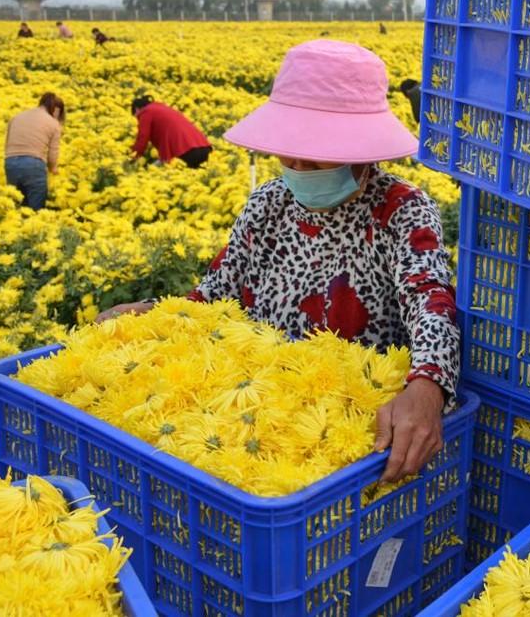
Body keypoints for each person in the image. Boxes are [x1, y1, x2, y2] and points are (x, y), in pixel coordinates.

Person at [97, 41, 459, 482]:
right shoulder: (269, 204)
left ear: (365, 148)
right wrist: (154, 315)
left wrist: (427, 388)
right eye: (290, 142)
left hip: (350, 434)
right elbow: (213, 298)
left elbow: (430, 302)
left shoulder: (400, 209)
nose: (299, 161)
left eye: (319, 145)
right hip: (255, 416)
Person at [4, 92, 65, 210]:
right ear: (56, 110)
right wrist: (53, 169)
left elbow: (7, 144)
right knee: (35, 211)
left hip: (10, 163)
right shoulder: (53, 124)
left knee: (16, 205)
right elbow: (53, 154)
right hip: (33, 164)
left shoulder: (17, 117)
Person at [130, 96, 213, 168]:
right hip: (205, 150)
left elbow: (143, 137)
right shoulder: (162, 108)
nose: (138, 120)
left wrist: (132, 157)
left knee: (151, 171)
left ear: (137, 109)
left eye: (137, 117)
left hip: (186, 152)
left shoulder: (145, 113)